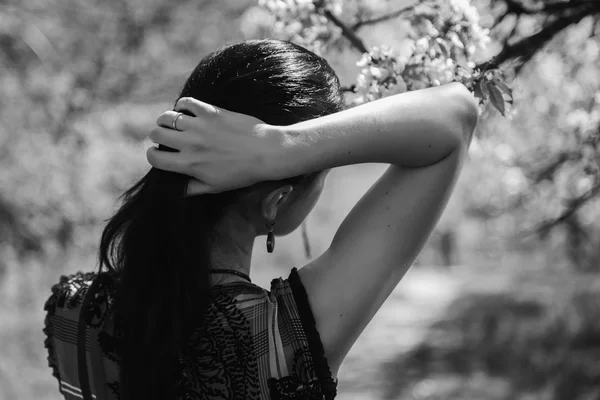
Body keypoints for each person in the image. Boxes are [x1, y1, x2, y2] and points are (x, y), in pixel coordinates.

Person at [43, 39, 478, 400]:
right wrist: (280, 148)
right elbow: (455, 116)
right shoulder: (277, 340)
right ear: (276, 202)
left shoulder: (75, 309)